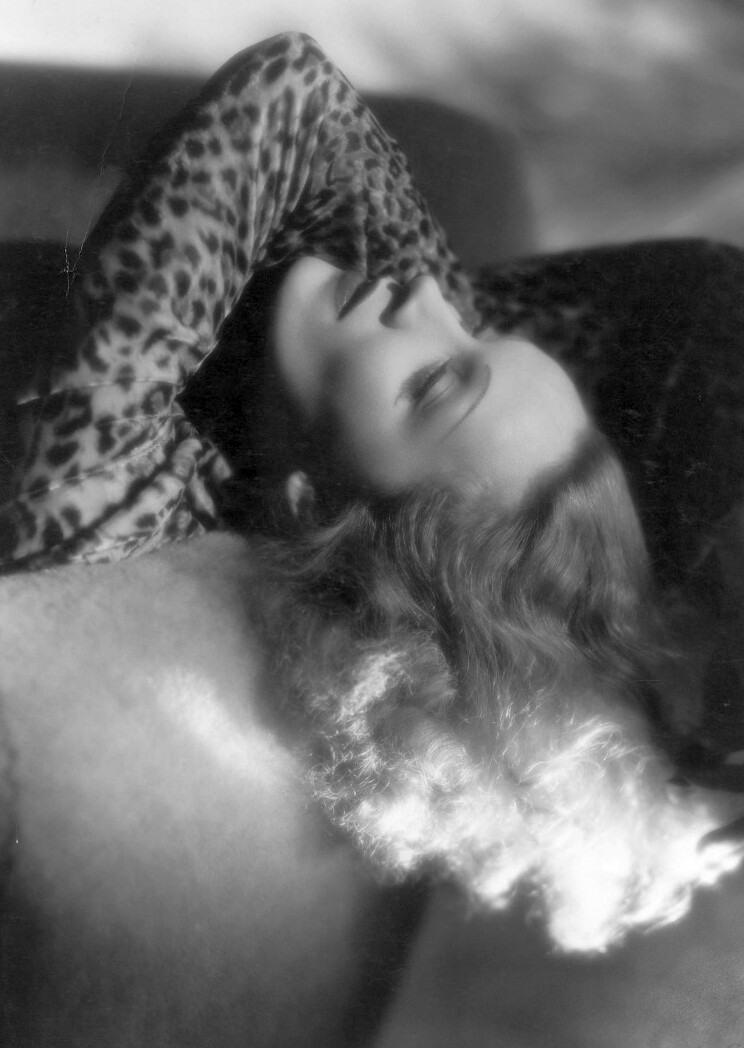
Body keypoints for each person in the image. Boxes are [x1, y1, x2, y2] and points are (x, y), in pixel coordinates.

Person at [0, 29, 743, 964]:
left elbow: (287, 92)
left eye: (435, 380)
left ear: (320, 511)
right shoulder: (290, 392)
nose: (424, 291)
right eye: (472, 329)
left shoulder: (111, 477)